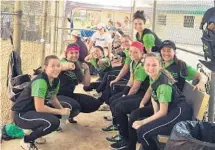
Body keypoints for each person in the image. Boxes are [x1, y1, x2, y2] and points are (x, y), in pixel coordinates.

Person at [110, 53, 193, 150]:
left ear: (160, 66)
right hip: (169, 108)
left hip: (178, 113)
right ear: (143, 65)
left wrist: (143, 122)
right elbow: (154, 96)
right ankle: (130, 147)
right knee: (136, 114)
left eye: (154, 65)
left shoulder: (163, 85)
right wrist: (153, 114)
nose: (150, 68)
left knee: (143, 132)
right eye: (147, 65)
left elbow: (163, 112)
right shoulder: (154, 75)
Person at [12, 55, 71, 150]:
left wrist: (62, 110)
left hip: (33, 111)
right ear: (45, 67)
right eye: (53, 66)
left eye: (58, 65)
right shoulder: (41, 81)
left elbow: (52, 98)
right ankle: (26, 140)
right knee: (53, 122)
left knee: (59, 112)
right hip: (21, 114)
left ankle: (36, 132)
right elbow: (40, 108)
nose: (56, 69)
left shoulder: (56, 80)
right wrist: (60, 112)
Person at [102, 41, 149, 135]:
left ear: (142, 53)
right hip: (137, 91)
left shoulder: (142, 66)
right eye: (131, 51)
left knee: (118, 104)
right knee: (112, 100)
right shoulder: (133, 63)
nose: (132, 54)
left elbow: (135, 88)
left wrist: (125, 96)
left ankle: (123, 134)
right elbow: (131, 81)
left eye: (136, 52)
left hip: (143, 94)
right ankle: (117, 125)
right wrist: (124, 93)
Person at [58, 43, 101, 122]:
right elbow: (61, 65)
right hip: (56, 96)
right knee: (75, 106)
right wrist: (70, 65)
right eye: (71, 53)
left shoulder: (78, 66)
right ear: (66, 54)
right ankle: (58, 118)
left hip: (69, 95)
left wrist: (87, 70)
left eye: (76, 53)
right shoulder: (62, 61)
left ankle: (69, 114)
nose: (74, 55)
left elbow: (86, 83)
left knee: (94, 103)